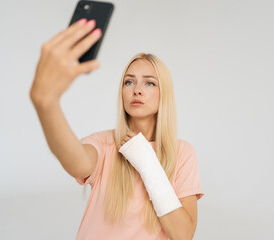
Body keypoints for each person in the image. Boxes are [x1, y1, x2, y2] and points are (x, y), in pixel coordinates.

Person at [29, 18, 204, 240]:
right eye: (129, 82)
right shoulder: (105, 143)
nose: (137, 90)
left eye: (149, 83)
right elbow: (75, 162)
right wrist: (48, 105)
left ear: (164, 94)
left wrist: (147, 163)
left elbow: (183, 234)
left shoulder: (182, 153)